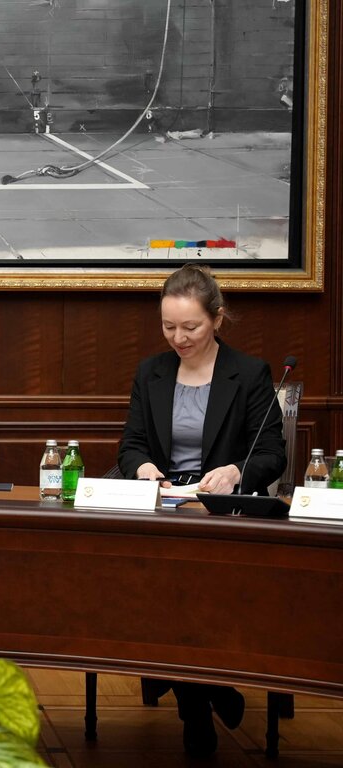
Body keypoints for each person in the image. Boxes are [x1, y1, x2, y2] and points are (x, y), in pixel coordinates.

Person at [117, 263, 286, 757]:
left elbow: (271, 453)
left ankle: (192, 703)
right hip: (163, 508)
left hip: (221, 516)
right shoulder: (151, 371)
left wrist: (235, 471)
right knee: (147, 586)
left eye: (190, 326)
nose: (179, 338)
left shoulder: (248, 373)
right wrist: (144, 468)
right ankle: (210, 694)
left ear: (217, 318)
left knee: (186, 591)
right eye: (168, 327)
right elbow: (131, 445)